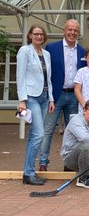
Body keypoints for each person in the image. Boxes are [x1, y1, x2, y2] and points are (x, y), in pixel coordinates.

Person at [39, 19, 86, 171]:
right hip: (56, 96)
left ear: (78, 33)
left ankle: (69, 164)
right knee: (48, 129)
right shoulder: (52, 48)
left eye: (75, 31)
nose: (72, 33)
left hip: (74, 96)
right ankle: (43, 162)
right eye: (70, 30)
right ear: (64, 30)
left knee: (72, 131)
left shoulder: (82, 52)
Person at [17, 24, 55, 185]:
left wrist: (51, 99)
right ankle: (28, 172)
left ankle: (29, 172)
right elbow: (20, 76)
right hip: (31, 96)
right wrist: (22, 100)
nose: (39, 36)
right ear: (30, 35)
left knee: (36, 134)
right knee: (38, 134)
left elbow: (49, 78)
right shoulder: (24, 51)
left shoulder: (46, 54)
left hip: (45, 97)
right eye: (36, 34)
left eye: (41, 34)